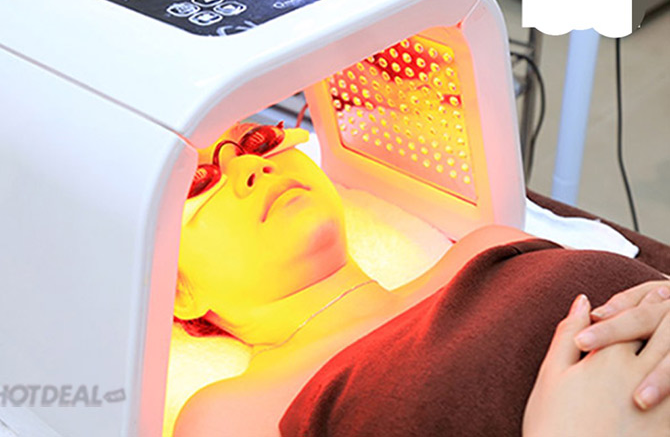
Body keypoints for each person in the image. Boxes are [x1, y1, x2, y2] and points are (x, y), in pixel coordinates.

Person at [173, 122, 670, 437]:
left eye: (260, 142)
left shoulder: (486, 246)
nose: (254, 166)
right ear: (179, 293)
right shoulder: (231, 414)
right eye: (200, 183)